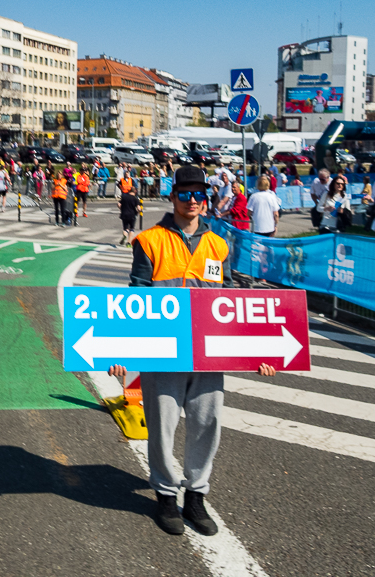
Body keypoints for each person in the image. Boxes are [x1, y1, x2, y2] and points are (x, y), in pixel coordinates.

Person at [108, 165, 275, 536]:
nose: (194, 201)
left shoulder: (218, 244)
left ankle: (196, 496)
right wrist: (118, 349)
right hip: (162, 352)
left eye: (200, 195)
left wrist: (260, 351)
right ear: (173, 196)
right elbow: (134, 298)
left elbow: (230, 301)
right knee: (162, 427)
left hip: (208, 352)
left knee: (206, 425)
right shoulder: (149, 240)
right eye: (185, 194)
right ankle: (166, 495)